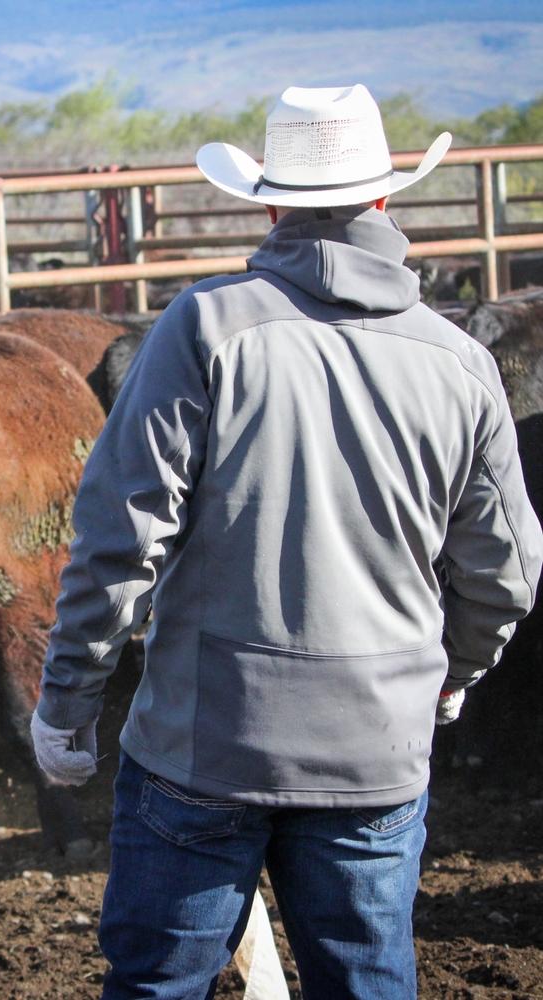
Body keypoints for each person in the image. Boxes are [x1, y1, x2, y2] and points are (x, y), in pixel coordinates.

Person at [30, 84, 543, 1000]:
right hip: (375, 746)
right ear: (387, 198)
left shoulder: (206, 328)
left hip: (207, 742)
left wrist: (69, 696)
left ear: (271, 202)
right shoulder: (461, 365)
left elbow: (119, 538)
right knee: (366, 981)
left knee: (158, 984)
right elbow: (504, 571)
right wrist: (454, 673)